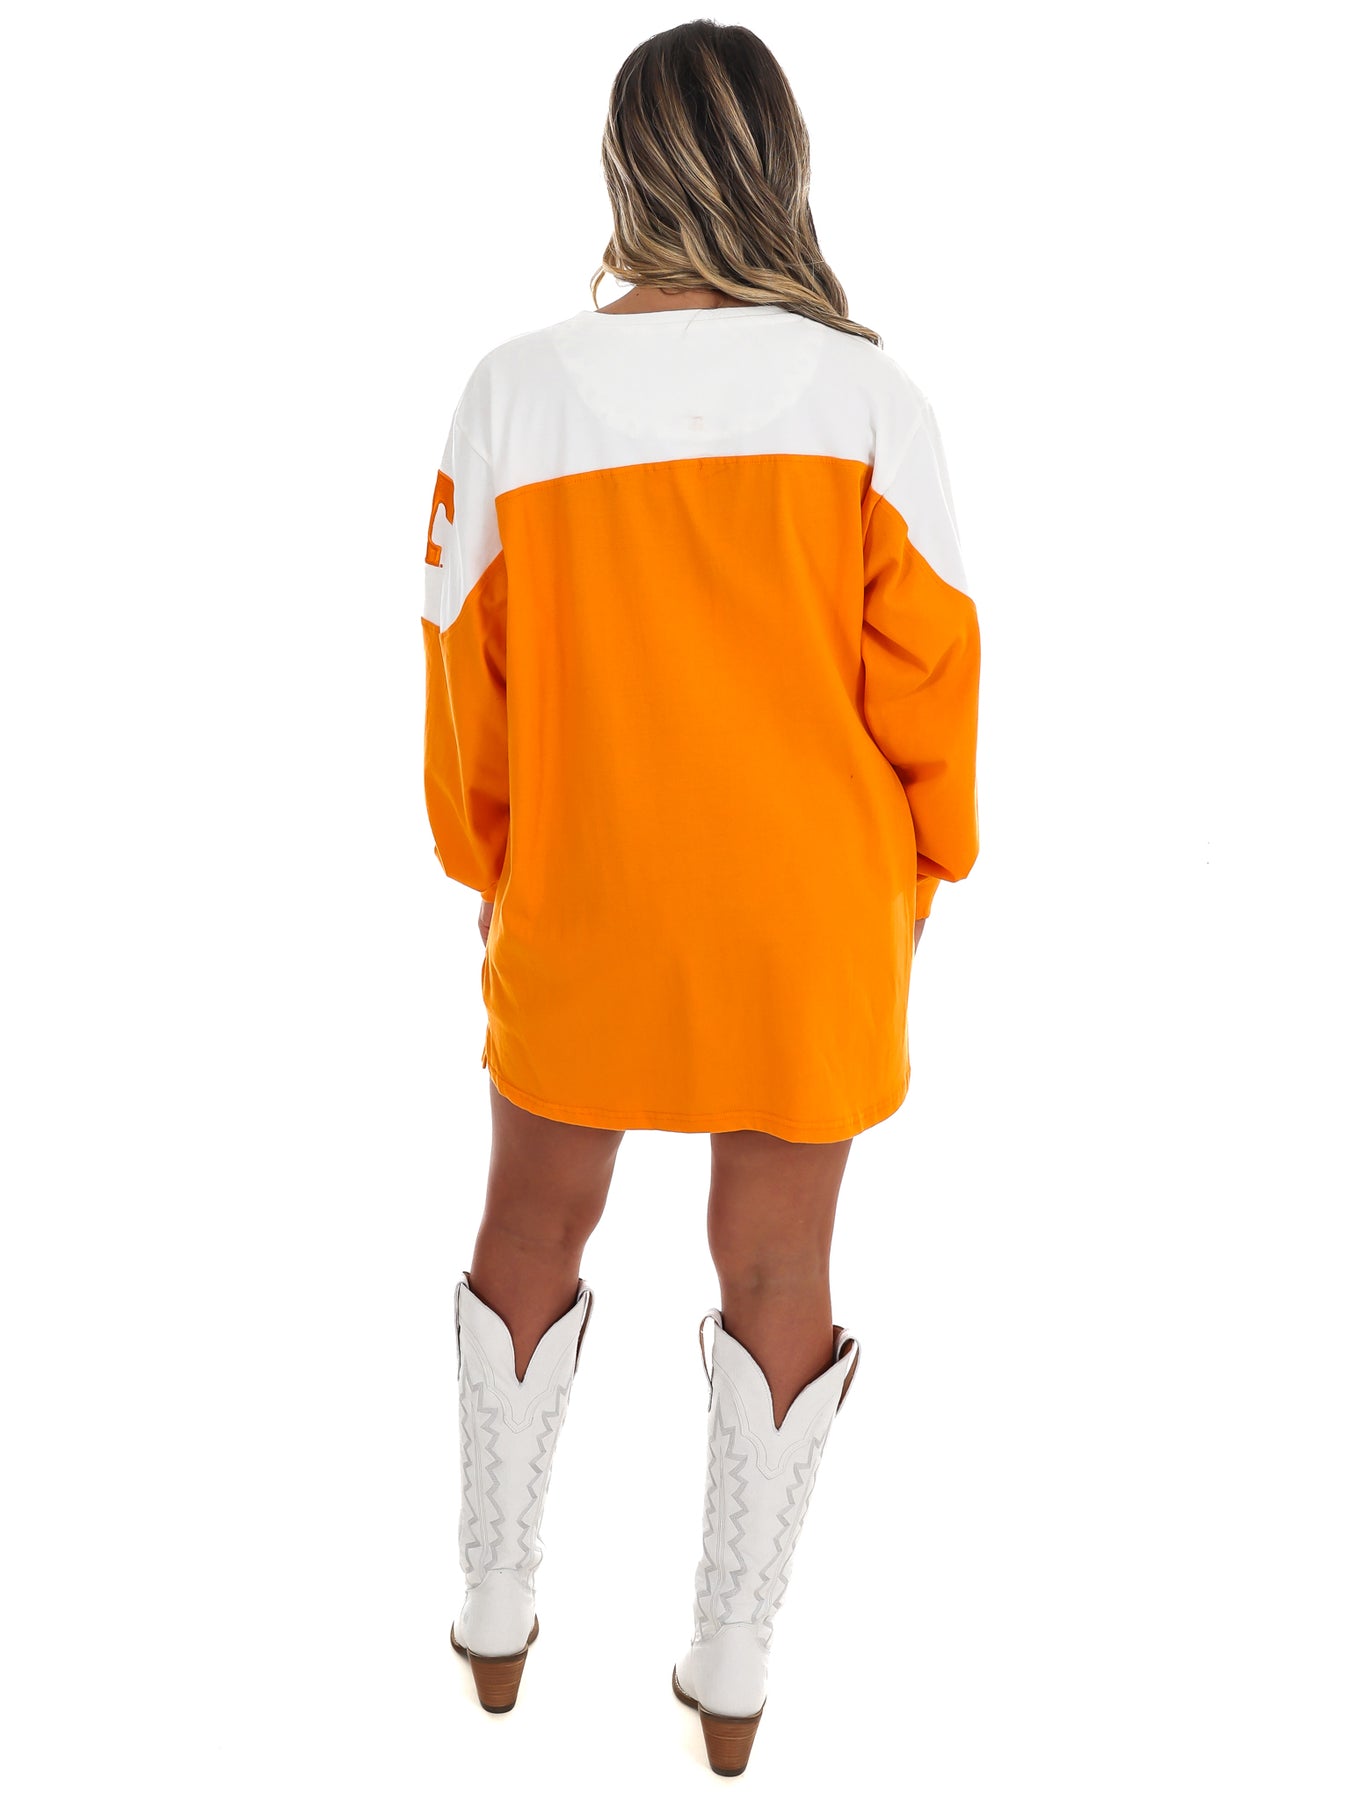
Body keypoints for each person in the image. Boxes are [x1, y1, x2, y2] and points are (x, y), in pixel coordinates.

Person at [422, 19, 980, 1777]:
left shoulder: (513, 391)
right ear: (779, 165)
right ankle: (730, 1665)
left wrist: (490, 866)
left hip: (585, 889)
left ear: (625, 166)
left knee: (530, 1228)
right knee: (777, 1261)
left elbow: (462, 672)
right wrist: (924, 871)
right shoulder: (871, 400)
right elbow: (931, 683)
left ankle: (494, 1612)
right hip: (808, 910)